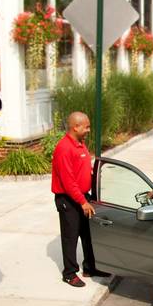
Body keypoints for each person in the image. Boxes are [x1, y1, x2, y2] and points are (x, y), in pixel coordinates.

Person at [51, 111, 110, 288]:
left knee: (88, 234)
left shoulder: (80, 144)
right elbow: (68, 181)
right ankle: (69, 273)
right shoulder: (64, 148)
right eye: (86, 126)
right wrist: (82, 202)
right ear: (75, 126)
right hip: (68, 199)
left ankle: (90, 267)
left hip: (83, 196)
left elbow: (82, 170)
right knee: (71, 237)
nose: (89, 130)